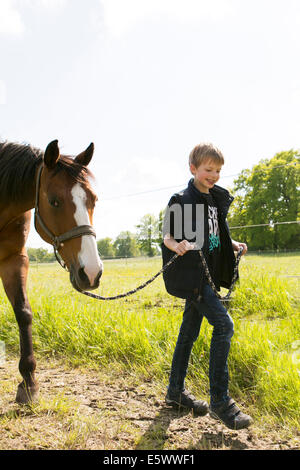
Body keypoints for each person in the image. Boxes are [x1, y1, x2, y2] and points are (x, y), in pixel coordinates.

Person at [161, 143, 252, 430]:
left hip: (209, 275)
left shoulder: (213, 200)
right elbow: (167, 236)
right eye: (208, 170)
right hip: (194, 278)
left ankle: (175, 393)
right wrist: (178, 246)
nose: (213, 175)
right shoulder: (182, 200)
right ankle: (220, 401)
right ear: (193, 169)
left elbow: (214, 237)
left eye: (217, 171)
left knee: (188, 332)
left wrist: (231, 244)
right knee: (224, 326)